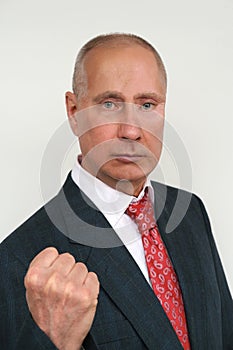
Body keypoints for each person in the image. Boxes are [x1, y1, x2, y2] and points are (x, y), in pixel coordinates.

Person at [0, 33, 232, 350]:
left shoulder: (190, 211)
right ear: (73, 111)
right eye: (109, 104)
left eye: (147, 104)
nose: (131, 130)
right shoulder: (18, 257)